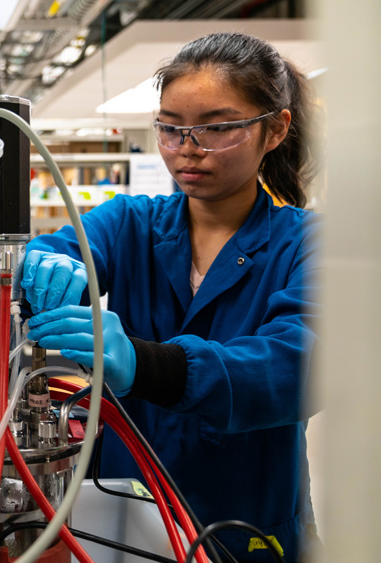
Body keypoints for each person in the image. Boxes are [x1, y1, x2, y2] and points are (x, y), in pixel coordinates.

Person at [21, 32, 319, 562]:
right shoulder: (128, 223)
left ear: (274, 129)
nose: (188, 148)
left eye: (218, 127)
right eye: (171, 128)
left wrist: (153, 365)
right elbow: (60, 250)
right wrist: (39, 268)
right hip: (128, 520)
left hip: (247, 525)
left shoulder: (310, 244)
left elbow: (300, 366)